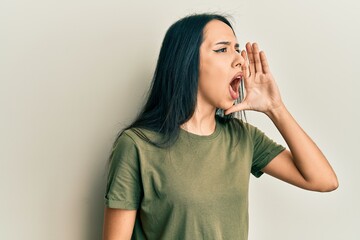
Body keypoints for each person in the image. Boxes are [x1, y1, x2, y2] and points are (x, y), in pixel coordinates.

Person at [102, 13, 338, 240]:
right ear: (187, 62)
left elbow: (323, 180)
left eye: (237, 49)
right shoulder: (137, 146)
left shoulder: (242, 137)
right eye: (222, 49)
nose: (239, 59)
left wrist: (275, 108)